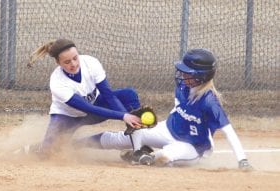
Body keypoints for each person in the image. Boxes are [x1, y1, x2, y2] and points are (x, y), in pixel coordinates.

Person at [75, 48, 253, 170]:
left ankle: (147, 157)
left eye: (187, 72)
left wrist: (242, 160)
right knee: (131, 132)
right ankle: (76, 146)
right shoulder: (182, 88)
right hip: (167, 130)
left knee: (164, 157)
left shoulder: (209, 102)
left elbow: (229, 132)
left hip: (191, 146)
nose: (182, 74)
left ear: (201, 76)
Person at [24, 38, 142, 158]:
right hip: (67, 117)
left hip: (97, 105)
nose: (73, 64)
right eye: (67, 62)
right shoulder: (57, 82)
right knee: (49, 153)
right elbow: (88, 108)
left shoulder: (91, 63)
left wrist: (129, 119)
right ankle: (34, 149)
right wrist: (124, 116)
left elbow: (109, 96)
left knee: (129, 95)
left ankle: (139, 146)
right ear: (58, 63)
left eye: (75, 58)